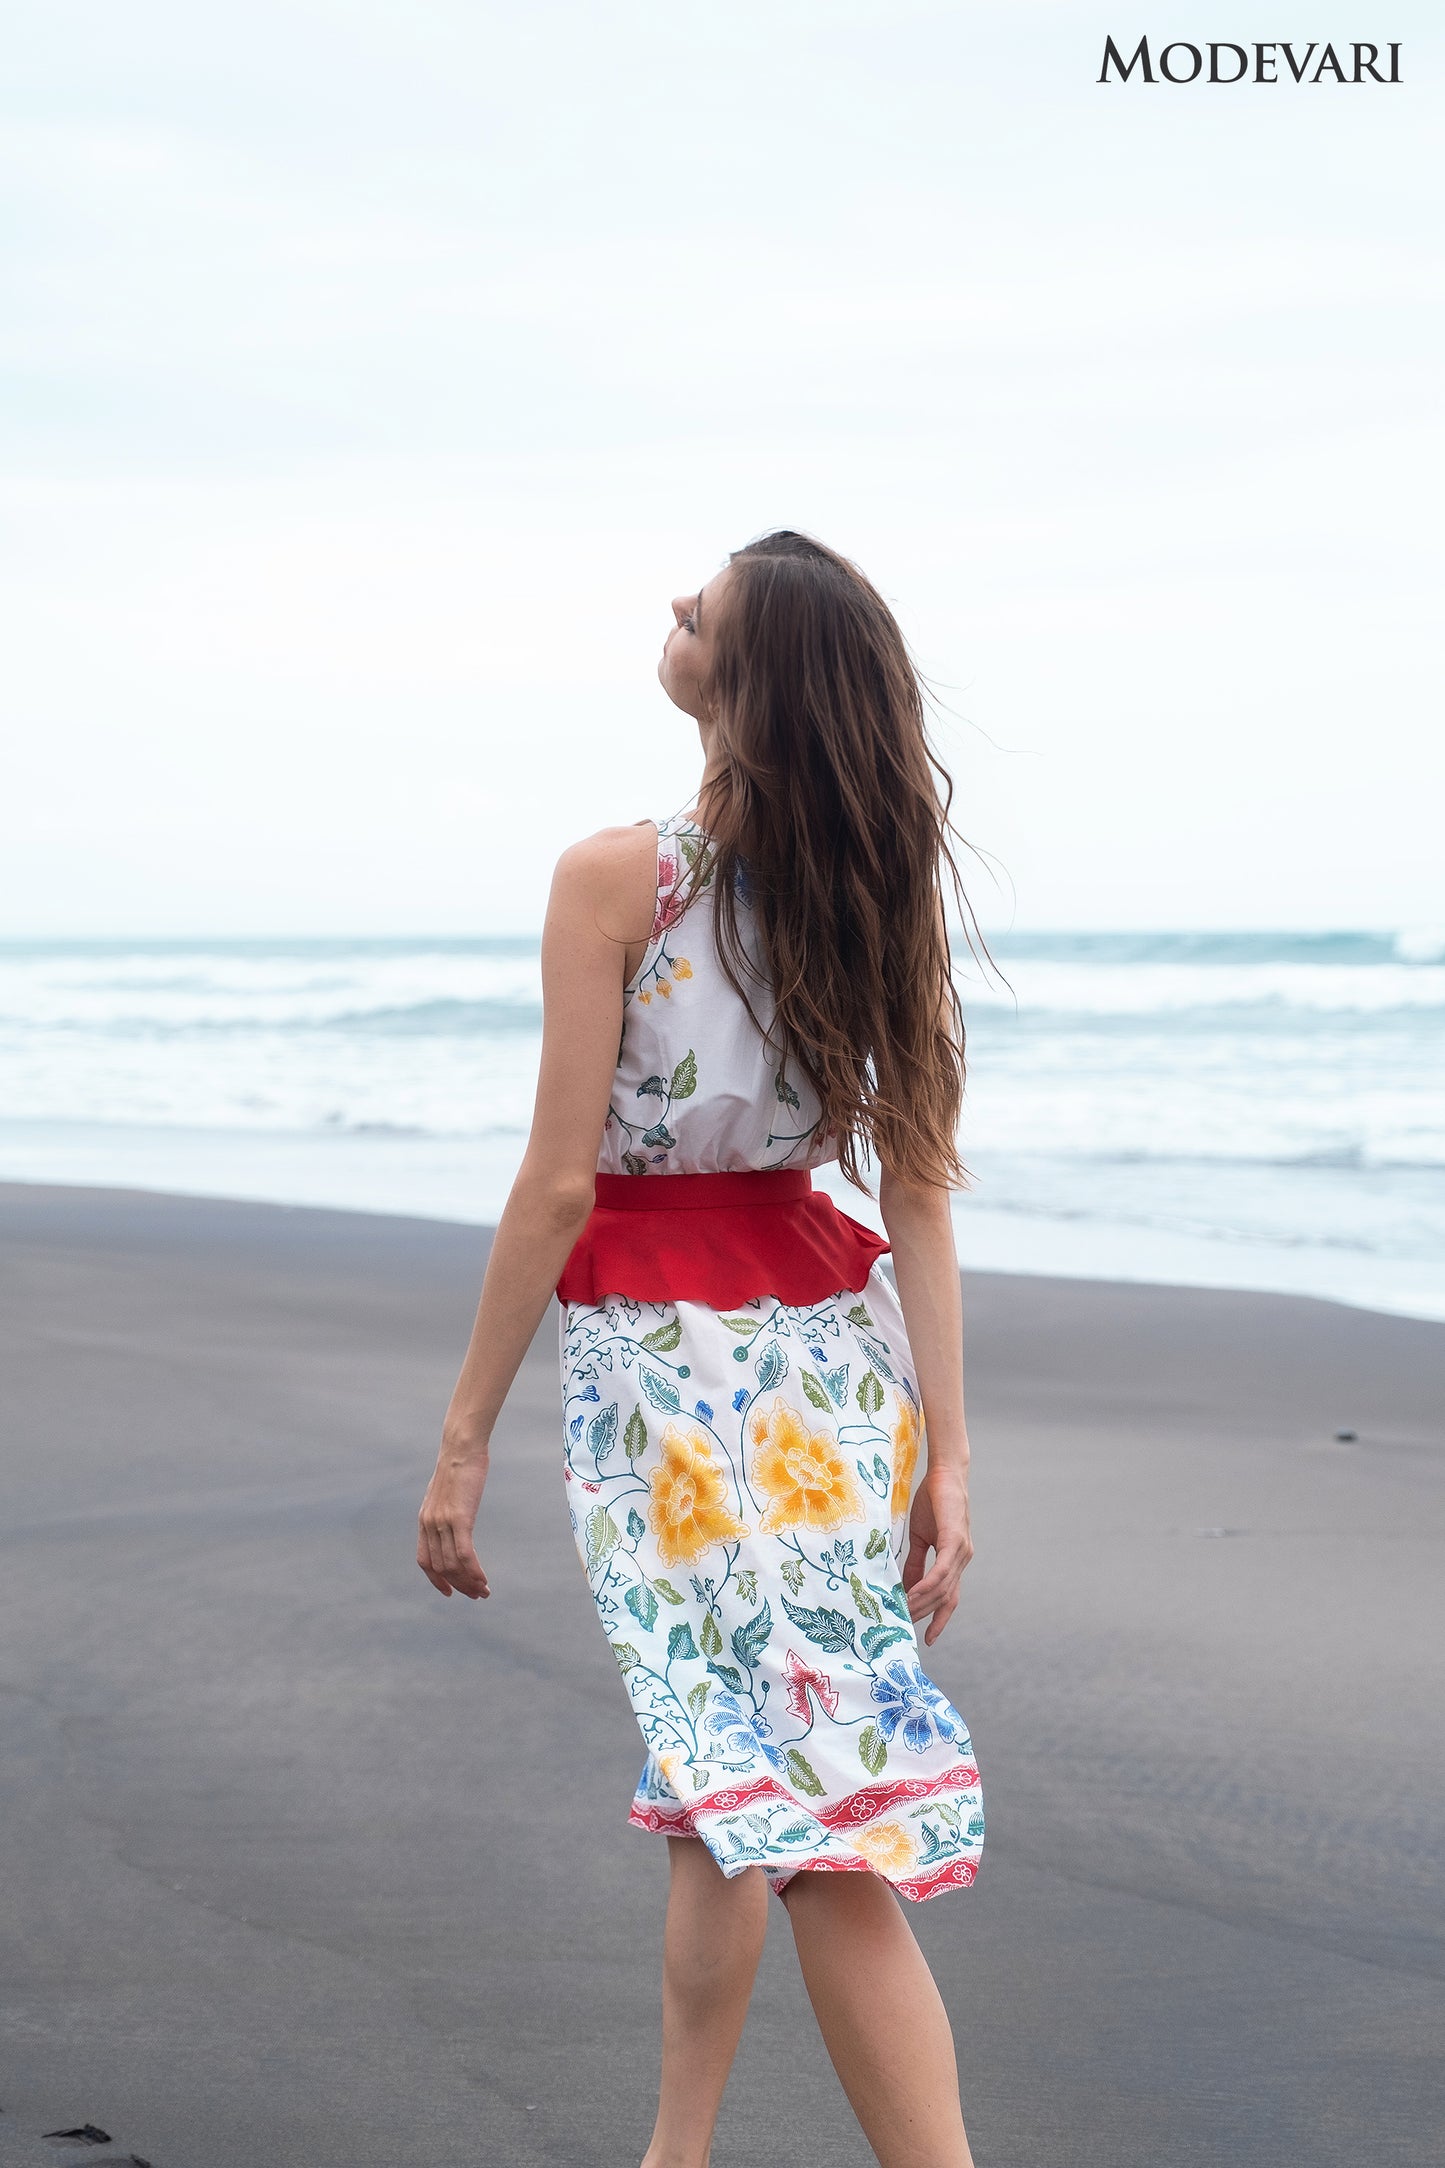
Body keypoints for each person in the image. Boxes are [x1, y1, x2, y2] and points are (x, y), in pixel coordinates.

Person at [418, 529, 988, 2168]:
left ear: (743, 681)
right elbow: (919, 1192)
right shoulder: (866, 882)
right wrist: (946, 1451)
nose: (666, 616)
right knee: (721, 1773)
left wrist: (463, 1435)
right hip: (833, 1368)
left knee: (812, 1825)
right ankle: (675, 2155)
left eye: (699, 615)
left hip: (680, 1386)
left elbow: (554, 1186)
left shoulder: (619, 876)